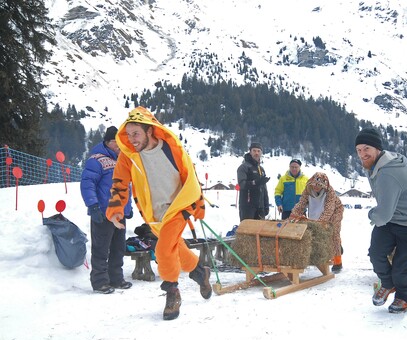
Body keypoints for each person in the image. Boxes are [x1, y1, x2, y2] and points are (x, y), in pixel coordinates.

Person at [105, 107, 212, 321]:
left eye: (136, 133)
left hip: (178, 207)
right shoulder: (129, 156)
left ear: (149, 131)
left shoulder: (171, 149)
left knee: (163, 249)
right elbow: (119, 182)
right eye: (128, 134)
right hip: (154, 214)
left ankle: (172, 293)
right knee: (175, 248)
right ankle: (201, 273)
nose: (131, 139)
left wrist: (198, 203)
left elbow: (189, 175)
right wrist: (116, 209)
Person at [355, 127, 407, 313]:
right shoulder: (376, 165)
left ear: (377, 149)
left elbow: (382, 215)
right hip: (394, 217)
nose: (362, 154)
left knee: (400, 266)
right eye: (359, 150)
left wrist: (371, 214)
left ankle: (404, 297)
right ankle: (388, 284)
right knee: (376, 253)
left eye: (367, 149)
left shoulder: (387, 173)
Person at [81, 126, 133, 294]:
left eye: (120, 142)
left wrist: (128, 208)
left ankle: (116, 278)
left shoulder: (122, 160)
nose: (119, 145)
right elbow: (87, 183)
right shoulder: (96, 160)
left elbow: (127, 186)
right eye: (115, 142)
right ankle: (100, 281)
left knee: (118, 247)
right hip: (103, 212)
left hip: (119, 213)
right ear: (107, 142)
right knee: (101, 248)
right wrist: (93, 205)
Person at [289, 172, 344, 273]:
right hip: (317, 210)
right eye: (314, 185)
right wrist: (293, 216)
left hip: (336, 210)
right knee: (315, 231)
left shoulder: (330, 192)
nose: (316, 188)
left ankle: (337, 261)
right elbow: (301, 204)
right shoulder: (307, 190)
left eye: (319, 186)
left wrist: (319, 224)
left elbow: (329, 210)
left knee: (333, 233)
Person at [237, 142, 270, 221]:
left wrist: (266, 204)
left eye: (258, 151)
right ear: (250, 152)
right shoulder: (244, 167)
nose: (256, 153)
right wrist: (256, 182)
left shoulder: (261, 169)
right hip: (247, 206)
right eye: (254, 151)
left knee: (260, 232)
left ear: (261, 153)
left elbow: (264, 189)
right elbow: (242, 184)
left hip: (260, 207)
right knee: (246, 232)